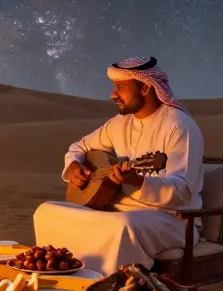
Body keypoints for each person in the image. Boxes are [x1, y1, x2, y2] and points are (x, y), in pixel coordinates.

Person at [32, 56, 205, 273]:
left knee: (120, 226)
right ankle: (63, 278)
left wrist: (139, 182)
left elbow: (183, 191)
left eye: (120, 88)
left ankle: (105, 289)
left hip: (171, 220)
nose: (113, 95)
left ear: (144, 87)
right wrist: (75, 166)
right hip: (116, 210)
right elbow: (79, 147)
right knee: (46, 212)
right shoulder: (118, 124)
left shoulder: (179, 126)